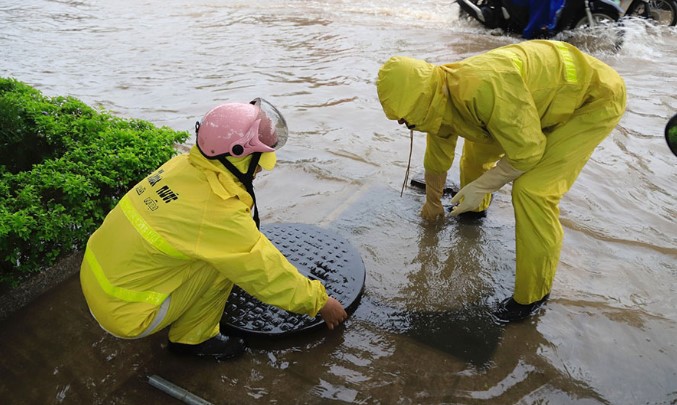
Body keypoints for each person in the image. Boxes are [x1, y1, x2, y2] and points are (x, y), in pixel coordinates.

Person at [376, 40, 626, 322]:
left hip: (593, 99)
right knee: (473, 157)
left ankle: (533, 295)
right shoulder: (438, 94)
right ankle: (474, 210)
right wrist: (432, 202)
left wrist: (482, 186)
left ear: (421, 102)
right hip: (536, 102)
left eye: (404, 119)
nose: (402, 124)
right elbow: (438, 150)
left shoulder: (482, 89)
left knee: (532, 191)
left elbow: (528, 152)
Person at [80, 98, 348, 360]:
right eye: (258, 160)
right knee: (224, 264)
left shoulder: (181, 166)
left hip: (98, 281)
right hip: (127, 314)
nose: (260, 170)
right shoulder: (217, 212)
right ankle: (194, 340)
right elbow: (264, 271)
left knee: (216, 250)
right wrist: (320, 302)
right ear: (240, 156)